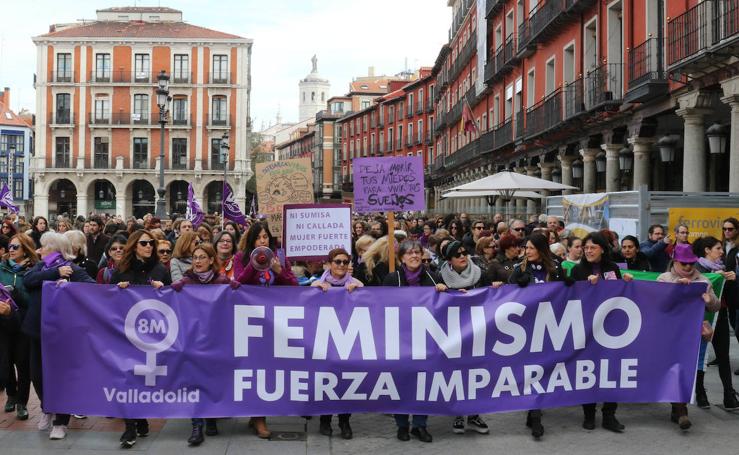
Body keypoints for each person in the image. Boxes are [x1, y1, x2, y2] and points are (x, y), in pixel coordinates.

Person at [23, 232, 95, 440]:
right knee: (36, 375)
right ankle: (47, 407)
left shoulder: (73, 269)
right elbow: (29, 281)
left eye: (43, 246)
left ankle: (60, 422)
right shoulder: (43, 267)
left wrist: (70, 286)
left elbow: (91, 286)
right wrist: (54, 273)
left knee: (60, 377)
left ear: (54, 249)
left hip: (62, 333)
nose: (39, 250)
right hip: (36, 329)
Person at [171, 243, 238, 446]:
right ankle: (196, 425)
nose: (197, 261)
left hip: (215, 341)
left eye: (202, 257)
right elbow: (169, 294)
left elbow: (237, 297)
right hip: (192, 341)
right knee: (194, 381)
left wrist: (238, 288)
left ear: (211, 260)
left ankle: (211, 418)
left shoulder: (222, 281)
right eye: (195, 257)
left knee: (212, 380)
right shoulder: (186, 281)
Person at [235, 221, 296, 439]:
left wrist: (279, 270)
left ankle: (259, 414)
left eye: (266, 237)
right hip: (250, 321)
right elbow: (238, 284)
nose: (263, 241)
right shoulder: (241, 258)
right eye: (259, 237)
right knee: (254, 368)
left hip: (274, 321)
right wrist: (255, 263)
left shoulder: (279, 256)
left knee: (269, 368)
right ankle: (258, 417)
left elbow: (294, 287)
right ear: (252, 240)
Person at [110, 230, 171, 448]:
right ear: (135, 245)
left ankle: (141, 418)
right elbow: (109, 301)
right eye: (145, 243)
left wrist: (163, 289)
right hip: (127, 333)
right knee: (126, 378)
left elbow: (172, 298)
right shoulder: (121, 271)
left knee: (145, 379)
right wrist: (118, 290)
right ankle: (129, 427)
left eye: (151, 244)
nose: (149, 247)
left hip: (152, 333)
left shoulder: (160, 270)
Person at [508, 233, 570, 440]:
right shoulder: (520, 269)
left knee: (544, 371)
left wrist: (571, 284)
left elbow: (565, 293)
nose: (528, 251)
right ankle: (535, 416)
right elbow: (506, 297)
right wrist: (516, 283)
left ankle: (533, 408)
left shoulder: (556, 267)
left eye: (532, 248)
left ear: (542, 249)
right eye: (526, 248)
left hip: (551, 328)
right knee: (532, 371)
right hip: (527, 330)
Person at [383, 240, 445, 443]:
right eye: (409, 253)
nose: (414, 256)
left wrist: (447, 292)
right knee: (401, 382)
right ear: (401, 258)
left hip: (425, 340)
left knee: (423, 383)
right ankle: (402, 426)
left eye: (417, 252)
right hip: (399, 339)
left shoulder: (433, 278)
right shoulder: (393, 279)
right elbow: (379, 305)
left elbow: (446, 306)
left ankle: (420, 425)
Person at [570, 232, 632, 433]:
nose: (588, 251)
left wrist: (627, 282)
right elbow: (571, 299)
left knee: (612, 371)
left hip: (611, 329)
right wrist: (585, 287)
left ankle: (609, 415)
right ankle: (589, 414)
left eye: (592, 247)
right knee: (588, 372)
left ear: (602, 249)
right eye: (585, 247)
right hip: (587, 330)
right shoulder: (578, 271)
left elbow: (620, 295)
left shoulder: (612, 268)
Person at [657, 243, 720, 430]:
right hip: (667, 334)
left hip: (692, 335)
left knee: (687, 371)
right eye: (683, 263)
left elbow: (715, 307)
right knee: (674, 369)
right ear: (675, 262)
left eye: (690, 263)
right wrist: (674, 290)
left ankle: (679, 409)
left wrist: (711, 301)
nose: (687, 267)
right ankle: (681, 410)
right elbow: (656, 304)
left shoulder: (703, 281)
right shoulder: (664, 278)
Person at [437, 240, 489, 436]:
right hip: (452, 334)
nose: (462, 256)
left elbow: (491, 297)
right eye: (457, 254)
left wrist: (493, 289)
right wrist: (442, 291)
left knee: (476, 373)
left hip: (476, 331)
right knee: (456, 373)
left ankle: (474, 415)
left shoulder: (480, 274)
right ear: (449, 260)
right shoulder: (439, 276)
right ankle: (458, 413)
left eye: (464, 252)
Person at [310, 248, 363, 440]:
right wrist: (317, 290)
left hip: (349, 341)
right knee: (327, 379)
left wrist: (358, 292)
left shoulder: (356, 284)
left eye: (345, 262)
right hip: (325, 339)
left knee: (346, 380)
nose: (341, 265)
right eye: (337, 261)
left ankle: (344, 420)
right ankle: (325, 419)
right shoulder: (317, 283)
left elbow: (369, 305)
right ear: (329, 264)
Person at [693, 236, 739, 410]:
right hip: (702, 318)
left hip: (721, 316)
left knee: (723, 356)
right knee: (701, 356)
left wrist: (733, 281)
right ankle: (700, 393)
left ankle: (729, 395)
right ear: (707, 250)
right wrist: (711, 279)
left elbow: (733, 299)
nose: (721, 252)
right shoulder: (696, 268)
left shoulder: (723, 270)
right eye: (718, 248)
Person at [0, 233, 38, 422]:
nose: (11, 250)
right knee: (5, 362)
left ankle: (22, 402)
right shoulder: (1, 267)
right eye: (10, 246)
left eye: (16, 247)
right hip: (3, 321)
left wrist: (16, 294)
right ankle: (11, 394)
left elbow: (34, 299)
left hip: (24, 321)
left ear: (26, 249)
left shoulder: (33, 270)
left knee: (23, 364)